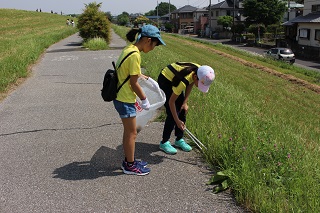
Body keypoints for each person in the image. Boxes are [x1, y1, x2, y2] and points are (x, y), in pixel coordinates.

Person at [113, 24, 165, 175]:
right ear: (148, 40)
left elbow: (131, 74)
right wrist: (144, 99)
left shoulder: (129, 49)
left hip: (121, 96)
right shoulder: (135, 55)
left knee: (130, 131)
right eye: (155, 44)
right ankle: (129, 165)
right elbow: (133, 83)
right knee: (132, 133)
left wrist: (146, 78)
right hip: (125, 98)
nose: (154, 48)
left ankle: (130, 159)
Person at [157, 62, 215, 154]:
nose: (199, 86)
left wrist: (185, 102)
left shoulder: (200, 71)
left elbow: (190, 84)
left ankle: (179, 139)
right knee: (172, 113)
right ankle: (164, 142)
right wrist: (177, 120)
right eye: (200, 83)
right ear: (196, 77)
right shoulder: (183, 81)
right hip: (165, 80)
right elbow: (171, 102)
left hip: (177, 78)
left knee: (182, 109)